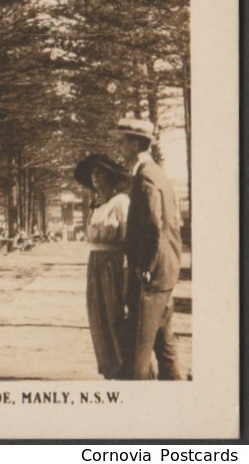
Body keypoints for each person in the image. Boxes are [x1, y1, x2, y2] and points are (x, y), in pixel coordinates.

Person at [115, 116, 182, 380]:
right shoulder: (159, 174)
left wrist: (147, 266)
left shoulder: (145, 177)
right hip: (166, 271)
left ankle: (137, 408)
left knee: (137, 352)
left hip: (151, 275)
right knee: (164, 345)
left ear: (133, 144)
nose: (119, 148)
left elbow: (155, 225)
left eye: (121, 142)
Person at [74, 152, 131, 380]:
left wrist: (127, 274)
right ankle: (109, 368)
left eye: (100, 172)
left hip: (113, 265)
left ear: (111, 175)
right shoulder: (95, 205)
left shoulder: (121, 202)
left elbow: (128, 241)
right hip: (95, 265)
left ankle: (125, 368)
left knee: (115, 317)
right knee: (98, 317)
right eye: (93, 173)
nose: (95, 177)